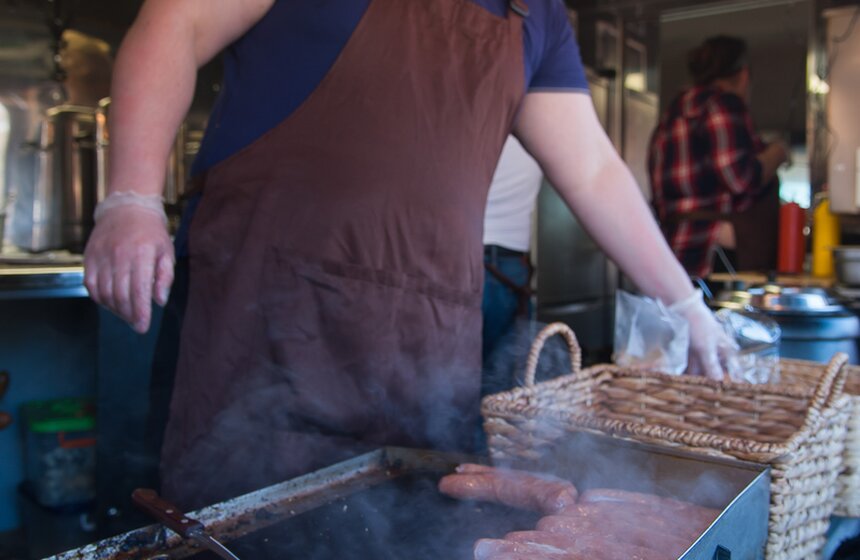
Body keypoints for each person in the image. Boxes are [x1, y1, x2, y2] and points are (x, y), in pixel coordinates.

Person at [83, 0, 736, 510]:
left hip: (421, 350)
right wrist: (133, 196)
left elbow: (593, 169)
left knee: (399, 523)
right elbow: (177, 20)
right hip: (262, 323)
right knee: (230, 524)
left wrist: (683, 303)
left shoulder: (535, 14)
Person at [649, 35, 789, 278]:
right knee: (724, 316)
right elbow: (739, 179)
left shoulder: (672, 114)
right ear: (744, 75)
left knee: (681, 316)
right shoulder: (723, 104)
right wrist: (778, 152)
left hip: (672, 250)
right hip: (715, 251)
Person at [482, 135, 542, 363]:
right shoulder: (539, 121)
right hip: (510, 267)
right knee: (507, 381)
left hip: (459, 260)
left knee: (452, 382)